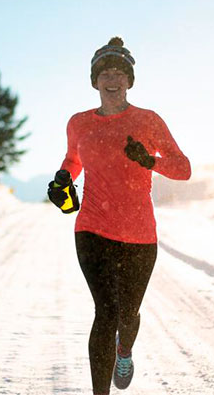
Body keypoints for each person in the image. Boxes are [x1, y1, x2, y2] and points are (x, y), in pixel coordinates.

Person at [48, 37, 191, 395]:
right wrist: (63, 180)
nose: (113, 79)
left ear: (129, 81)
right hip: (93, 228)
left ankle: (124, 350)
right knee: (106, 311)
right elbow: (72, 161)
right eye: (105, 73)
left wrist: (149, 160)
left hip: (140, 234)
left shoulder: (148, 121)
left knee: (128, 316)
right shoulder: (79, 123)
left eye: (120, 73)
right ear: (94, 81)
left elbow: (183, 168)